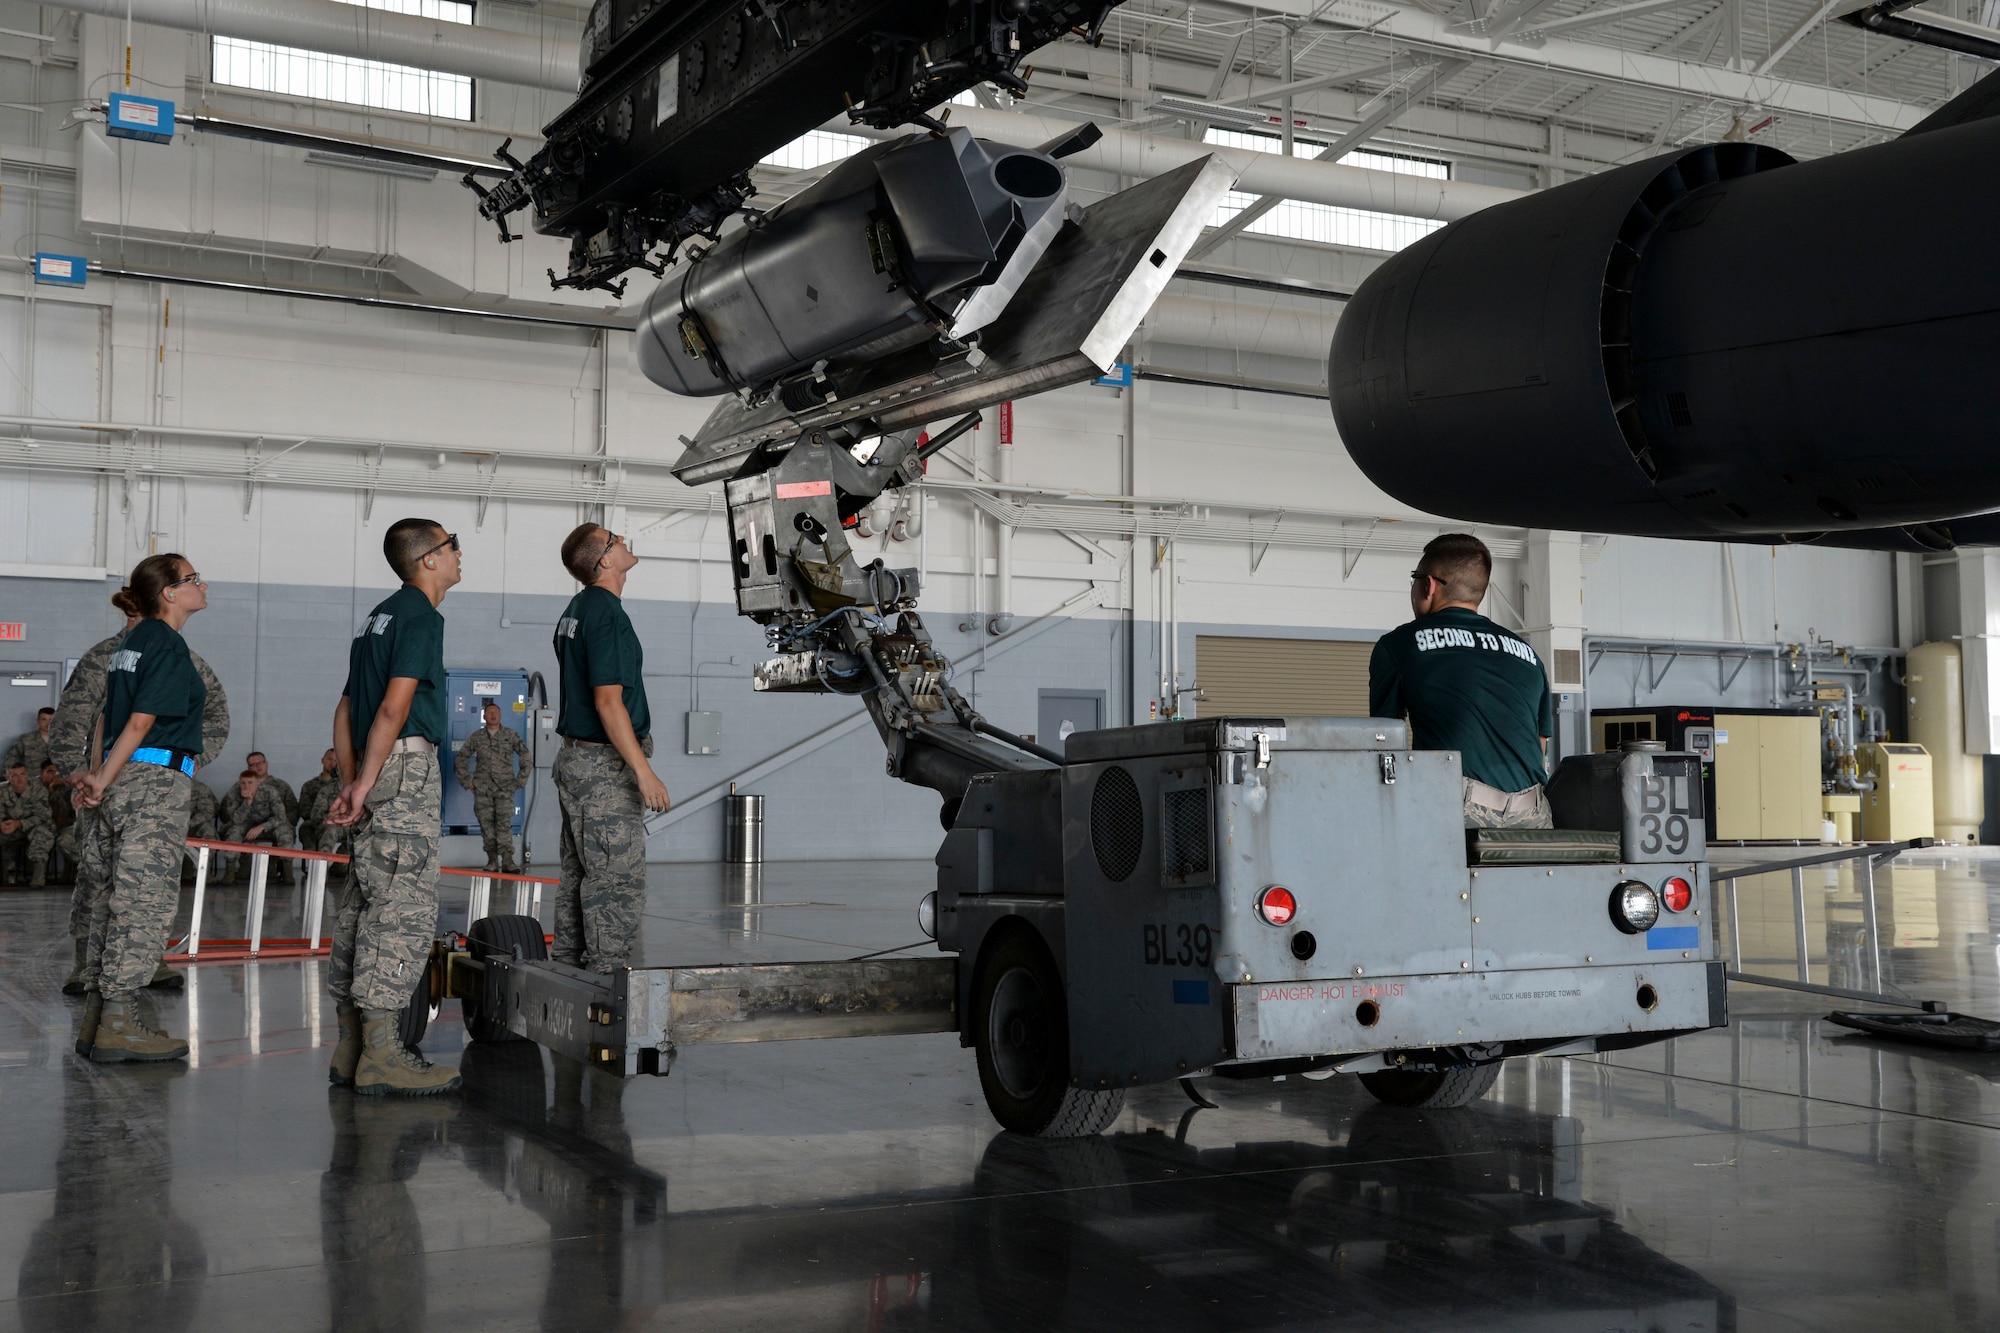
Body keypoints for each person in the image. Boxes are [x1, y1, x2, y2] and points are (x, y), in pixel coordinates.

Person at [324, 518, 463, 1096]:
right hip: (403, 768)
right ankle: (383, 1055)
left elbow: (346, 706)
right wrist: (368, 780)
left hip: (376, 768)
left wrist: (355, 778)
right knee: (400, 905)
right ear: (428, 559)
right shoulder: (419, 617)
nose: (459, 553)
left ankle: (352, 1045)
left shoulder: (376, 617)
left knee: (363, 899)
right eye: (452, 544)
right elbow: (392, 708)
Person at [50, 592, 228, 998]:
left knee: (145, 877)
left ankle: (146, 960)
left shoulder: (184, 657)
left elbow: (215, 713)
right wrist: (79, 774)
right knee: (100, 876)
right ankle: (89, 964)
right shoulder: (104, 657)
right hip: (101, 784)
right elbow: (74, 718)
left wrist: (185, 762)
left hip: (150, 782)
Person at [72, 553, 212, 1062]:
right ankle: (118, 1023)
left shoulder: (132, 642)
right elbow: (140, 721)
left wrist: (99, 777)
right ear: (169, 593)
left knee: (115, 894)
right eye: (193, 579)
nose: (203, 584)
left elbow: (109, 717)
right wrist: (102, 780)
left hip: (125, 776)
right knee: (144, 901)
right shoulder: (166, 642)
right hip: (153, 782)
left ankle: (96, 1018)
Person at [1370, 534, 1554, 830]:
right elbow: (1539, 743)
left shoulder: (1399, 645)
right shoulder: (1528, 654)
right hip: (1533, 814)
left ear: (1428, 585)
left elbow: (1382, 741)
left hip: (1458, 808)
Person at [551, 524, 672, 975]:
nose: (623, 541)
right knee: (615, 880)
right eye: (615, 539)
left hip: (577, 761)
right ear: (605, 560)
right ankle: (606, 984)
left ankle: (567, 971)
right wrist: (642, 771)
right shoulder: (606, 614)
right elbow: (608, 701)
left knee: (582, 875)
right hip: (603, 766)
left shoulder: (577, 609)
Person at [455, 701, 529, 873]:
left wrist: (520, 780)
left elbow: (525, 755)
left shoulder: (510, 735)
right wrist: (468, 782)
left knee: (504, 825)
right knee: (487, 826)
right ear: (484, 716)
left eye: (496, 712)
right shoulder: (477, 737)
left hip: (505, 789)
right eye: (489, 712)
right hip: (483, 791)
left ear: (501, 715)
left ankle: (508, 861)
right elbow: (460, 758)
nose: (493, 715)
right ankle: (492, 861)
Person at [220, 769, 293, 885]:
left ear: (258, 783)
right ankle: (229, 873)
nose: (246, 786)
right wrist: (247, 802)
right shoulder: (234, 792)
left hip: (268, 825)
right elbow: (236, 820)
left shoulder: (269, 791)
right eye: (243, 783)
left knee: (284, 831)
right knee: (234, 831)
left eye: (250, 782)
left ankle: (288, 873)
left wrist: (262, 826)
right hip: (245, 825)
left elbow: (281, 816)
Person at [0, 759, 55, 886]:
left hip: (36, 826)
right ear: (7, 777)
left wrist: (18, 823)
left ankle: (38, 879)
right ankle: (2, 877)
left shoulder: (38, 789)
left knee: (41, 834)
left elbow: (43, 816)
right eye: (14, 776)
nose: (19, 779)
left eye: (22, 774)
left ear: (27, 775)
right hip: (12, 828)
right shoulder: (2, 790)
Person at [245, 751, 299, 842]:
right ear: (248, 768)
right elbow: (227, 810)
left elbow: (293, 809)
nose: (258, 766)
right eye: (253, 764)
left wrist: (283, 822)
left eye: (260, 763)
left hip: (277, 825)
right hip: (250, 827)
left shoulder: (281, 785)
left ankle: (282, 856)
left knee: (284, 833)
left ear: (266, 763)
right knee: (235, 832)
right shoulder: (242, 786)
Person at [299, 747, 342, 854]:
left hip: (342, 822)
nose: (333, 763)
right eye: (330, 759)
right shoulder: (310, 785)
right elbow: (305, 810)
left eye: (336, 761)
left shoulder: (345, 786)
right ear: (322, 760)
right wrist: (328, 816)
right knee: (307, 828)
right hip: (317, 821)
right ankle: (314, 862)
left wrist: (339, 815)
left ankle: (338, 868)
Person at [43, 761, 76, 882]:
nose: (54, 775)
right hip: (42, 826)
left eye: (57, 772)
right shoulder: (35, 787)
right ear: (41, 773)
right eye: (49, 771)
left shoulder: (66, 789)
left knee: (66, 840)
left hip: (65, 826)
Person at [5, 706, 53, 776]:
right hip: (32, 781)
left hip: (58, 781)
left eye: (51, 720)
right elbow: (11, 757)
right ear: (38, 721)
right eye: (44, 719)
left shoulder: (65, 741)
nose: (48, 723)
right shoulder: (25, 739)